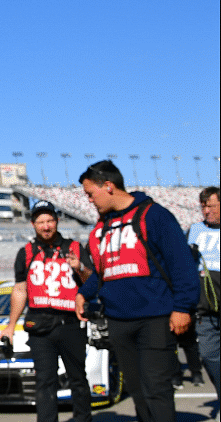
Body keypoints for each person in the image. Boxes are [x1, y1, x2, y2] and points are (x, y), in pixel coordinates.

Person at [75, 160, 199, 422]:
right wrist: (83, 293)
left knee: (157, 389)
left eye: (90, 193)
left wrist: (182, 307)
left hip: (155, 319)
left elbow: (182, 264)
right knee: (138, 392)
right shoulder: (100, 230)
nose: (89, 200)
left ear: (108, 186)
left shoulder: (153, 215)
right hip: (119, 322)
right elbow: (102, 272)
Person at [0, 200, 92, 422]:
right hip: (40, 326)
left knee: (77, 378)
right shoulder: (26, 252)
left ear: (57, 221)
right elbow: (20, 290)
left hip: (71, 323)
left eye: (50, 220)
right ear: (33, 224)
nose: (46, 226)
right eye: (41, 222)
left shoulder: (75, 248)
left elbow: (91, 282)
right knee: (44, 381)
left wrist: (79, 268)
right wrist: (10, 326)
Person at [187, 186, 220, 398]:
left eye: (211, 206)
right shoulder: (194, 230)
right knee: (209, 356)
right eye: (203, 207)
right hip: (205, 309)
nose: (206, 211)